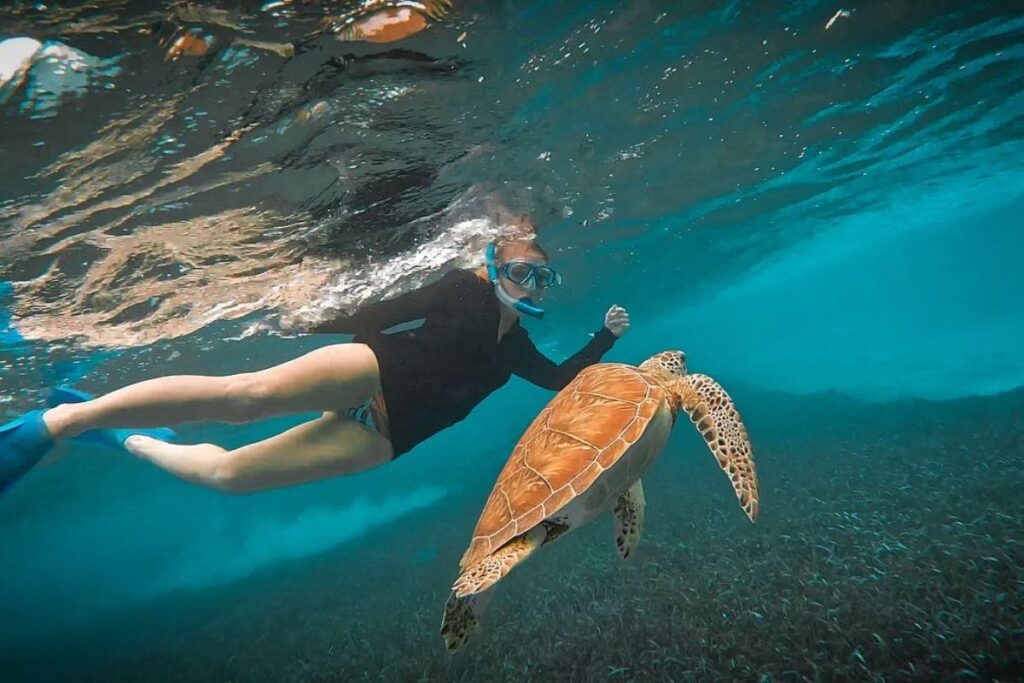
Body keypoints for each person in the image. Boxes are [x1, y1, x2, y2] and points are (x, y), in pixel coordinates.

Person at [0, 229, 630, 494]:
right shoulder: (461, 289)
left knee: (229, 479)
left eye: (541, 278)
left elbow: (556, 381)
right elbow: (384, 311)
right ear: (494, 266)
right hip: (374, 369)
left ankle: (124, 437)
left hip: (393, 433)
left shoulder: (516, 345)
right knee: (245, 397)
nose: (530, 286)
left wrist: (603, 338)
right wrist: (310, 319)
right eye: (521, 271)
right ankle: (59, 424)